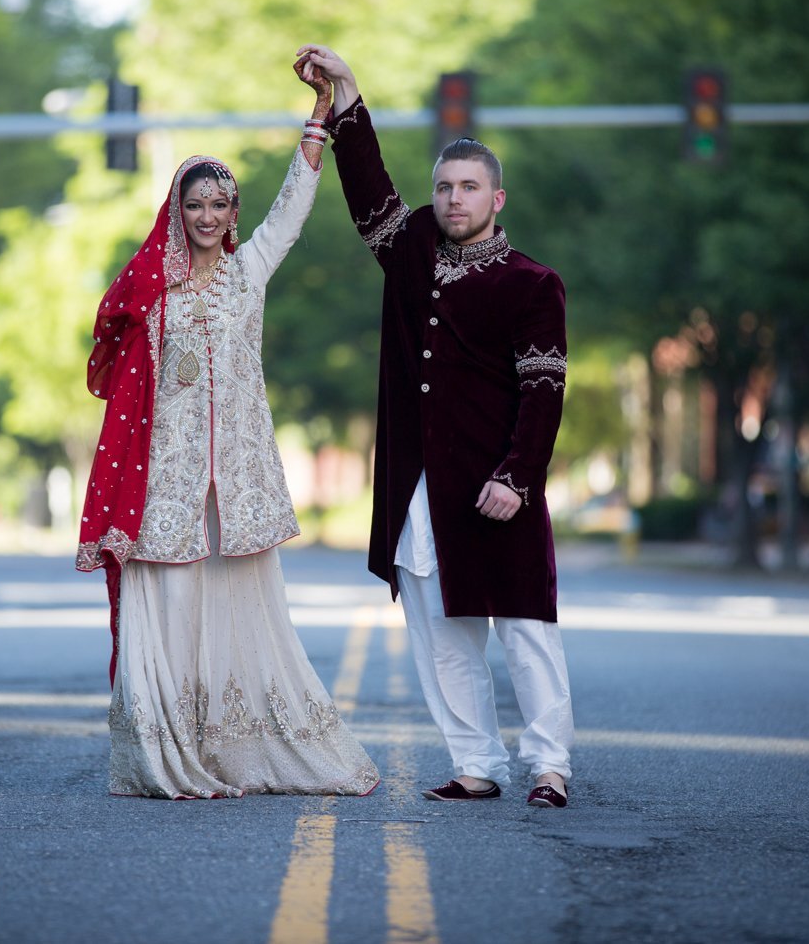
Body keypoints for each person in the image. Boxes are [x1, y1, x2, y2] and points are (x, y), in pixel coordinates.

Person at [76, 62, 379, 800]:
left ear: (232, 211)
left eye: (220, 203)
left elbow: (292, 210)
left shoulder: (250, 274)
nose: (208, 215)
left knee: (243, 609)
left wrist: (321, 117)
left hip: (236, 485)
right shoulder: (151, 289)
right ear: (176, 211)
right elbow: (121, 388)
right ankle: (170, 755)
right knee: (175, 614)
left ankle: (239, 750)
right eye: (196, 204)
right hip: (168, 484)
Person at [296, 44, 575, 809]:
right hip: (420, 486)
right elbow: (370, 199)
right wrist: (347, 98)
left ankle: (549, 766)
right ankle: (477, 764)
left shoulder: (533, 284)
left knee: (524, 632)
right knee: (441, 637)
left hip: (497, 486)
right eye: (445, 186)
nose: (454, 199)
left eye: (469, 187)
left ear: (498, 198)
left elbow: (544, 389)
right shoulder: (415, 248)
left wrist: (518, 477)